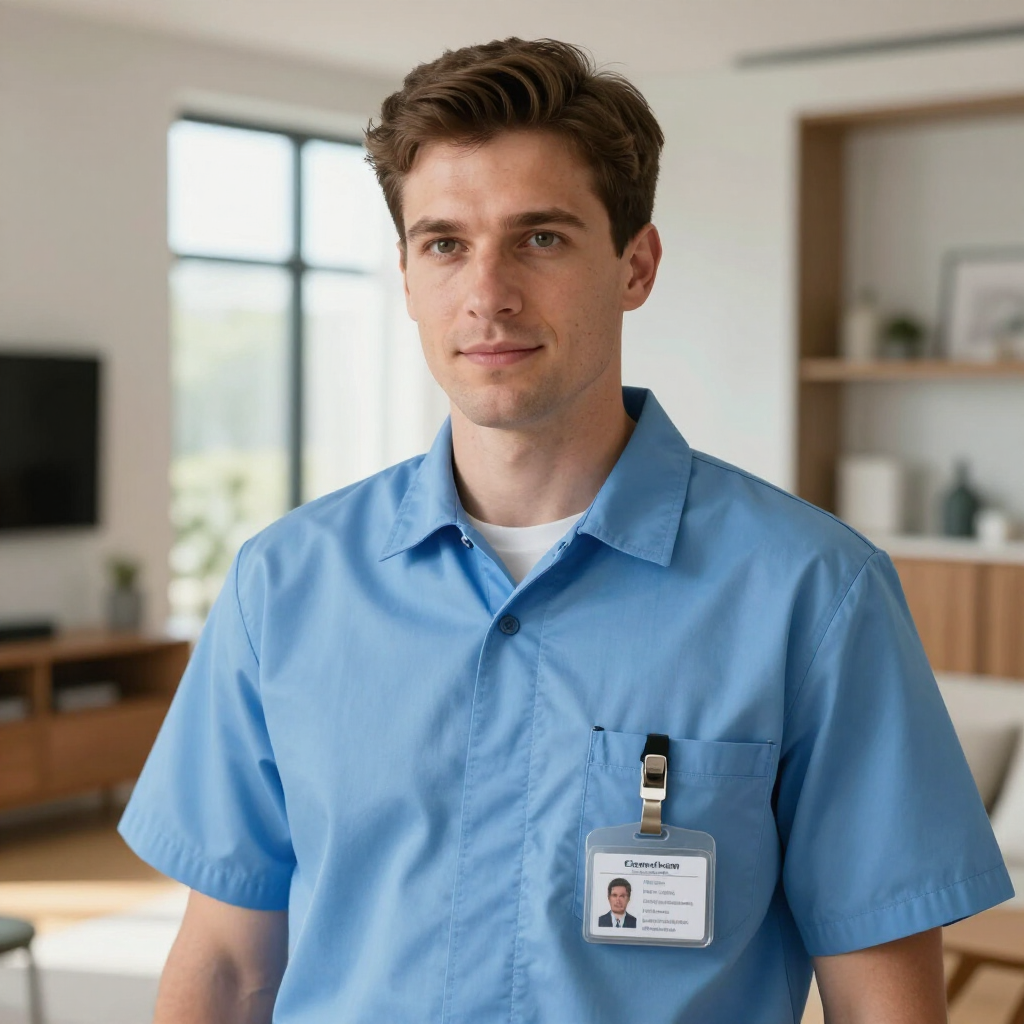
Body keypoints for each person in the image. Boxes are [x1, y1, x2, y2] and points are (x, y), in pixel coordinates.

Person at [119, 37, 1013, 1024]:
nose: (486, 293)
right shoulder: (283, 585)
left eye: (539, 238)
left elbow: (884, 1004)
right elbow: (225, 970)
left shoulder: (815, 592)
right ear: (409, 276)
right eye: (445, 243)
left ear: (635, 265)